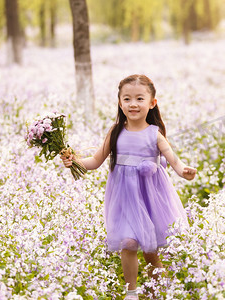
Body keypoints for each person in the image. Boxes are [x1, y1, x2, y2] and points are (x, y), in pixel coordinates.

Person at [61, 74, 197, 299]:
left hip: (150, 197)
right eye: (127, 99)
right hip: (124, 198)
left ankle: (160, 291)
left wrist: (184, 171)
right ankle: (131, 292)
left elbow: (174, 161)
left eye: (140, 99)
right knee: (129, 242)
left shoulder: (154, 134)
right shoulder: (115, 132)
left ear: (152, 103)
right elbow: (94, 162)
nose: (133, 104)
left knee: (151, 251)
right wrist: (73, 162)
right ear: (119, 102)